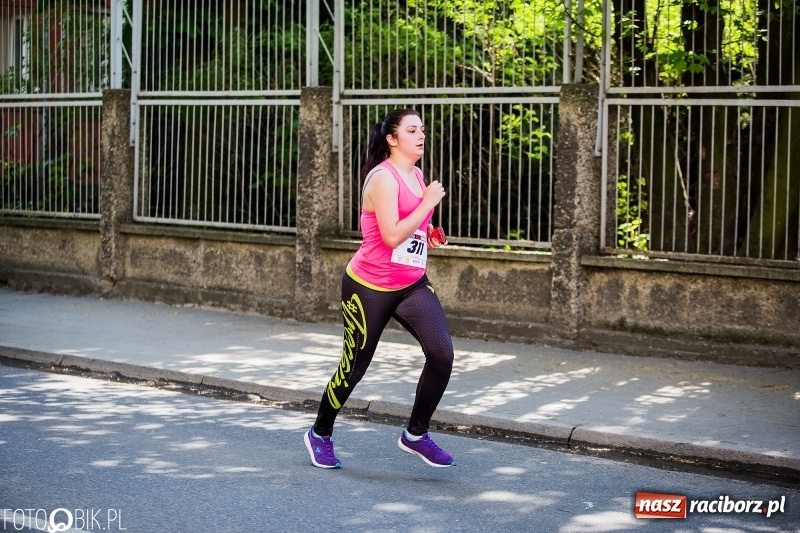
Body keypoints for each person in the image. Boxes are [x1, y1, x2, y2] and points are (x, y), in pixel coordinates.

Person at [304, 108, 455, 469]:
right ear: (392, 139)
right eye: (412, 130)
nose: (421, 135)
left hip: (412, 284)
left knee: (442, 354)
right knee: (354, 366)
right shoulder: (382, 179)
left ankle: (415, 434)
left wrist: (428, 235)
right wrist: (429, 204)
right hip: (368, 287)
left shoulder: (416, 174)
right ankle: (319, 433)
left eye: (423, 129)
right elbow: (389, 236)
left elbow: (409, 229)